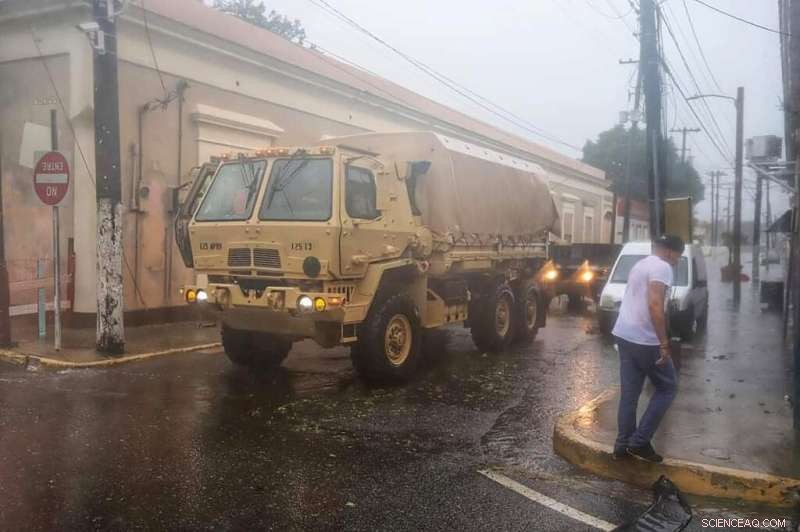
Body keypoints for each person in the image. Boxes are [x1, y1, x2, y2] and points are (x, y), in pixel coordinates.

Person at [612, 234, 685, 463]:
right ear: (671, 252)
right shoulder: (662, 267)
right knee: (668, 387)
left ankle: (622, 445)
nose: (676, 261)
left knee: (630, 394)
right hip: (645, 339)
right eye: (678, 257)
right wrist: (664, 343)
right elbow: (655, 305)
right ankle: (640, 442)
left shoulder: (640, 264)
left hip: (624, 333)